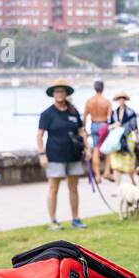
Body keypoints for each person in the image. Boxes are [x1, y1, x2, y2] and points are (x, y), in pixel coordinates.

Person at [37, 80, 90, 230]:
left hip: (73, 155)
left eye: (62, 91)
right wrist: (42, 154)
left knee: (74, 188)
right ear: (53, 94)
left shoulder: (73, 111)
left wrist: (88, 147)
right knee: (53, 188)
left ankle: (76, 219)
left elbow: (81, 130)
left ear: (66, 94)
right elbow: (40, 135)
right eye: (57, 91)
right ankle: (53, 221)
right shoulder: (47, 114)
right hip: (55, 156)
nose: (59, 94)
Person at [104, 92, 139, 182]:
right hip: (117, 140)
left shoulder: (131, 112)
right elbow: (109, 126)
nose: (121, 100)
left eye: (123, 98)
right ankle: (118, 187)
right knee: (115, 165)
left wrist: (137, 138)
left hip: (127, 138)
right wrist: (114, 125)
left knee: (129, 163)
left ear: (125, 99)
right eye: (119, 99)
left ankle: (133, 182)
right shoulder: (114, 113)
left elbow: (135, 127)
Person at [83, 80, 112, 181]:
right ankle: (107, 172)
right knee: (107, 149)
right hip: (104, 125)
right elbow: (110, 117)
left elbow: (85, 117)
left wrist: (84, 130)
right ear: (102, 88)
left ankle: (98, 175)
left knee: (95, 149)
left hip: (94, 125)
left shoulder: (89, 101)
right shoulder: (107, 102)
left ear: (94, 88)